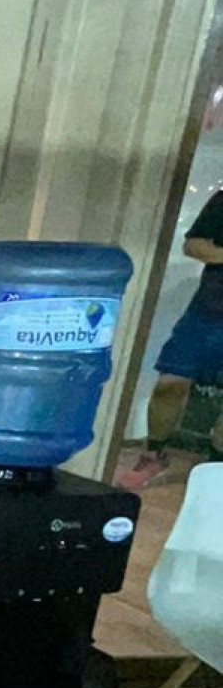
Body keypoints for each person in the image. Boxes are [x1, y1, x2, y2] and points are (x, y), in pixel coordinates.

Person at [119, 186, 223, 492]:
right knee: (170, 383)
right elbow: (194, 245)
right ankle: (153, 455)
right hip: (206, 313)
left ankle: (213, 468)